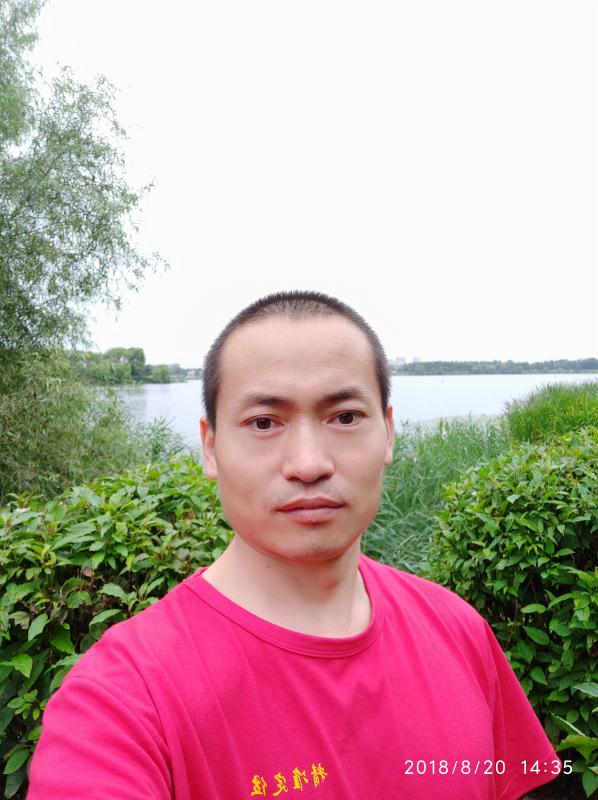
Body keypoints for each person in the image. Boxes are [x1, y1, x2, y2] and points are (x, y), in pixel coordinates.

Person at [27, 290, 561, 800]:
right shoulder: (122, 701)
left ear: (388, 433)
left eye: (345, 417)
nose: (309, 464)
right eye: (264, 422)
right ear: (210, 447)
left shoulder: (458, 630)